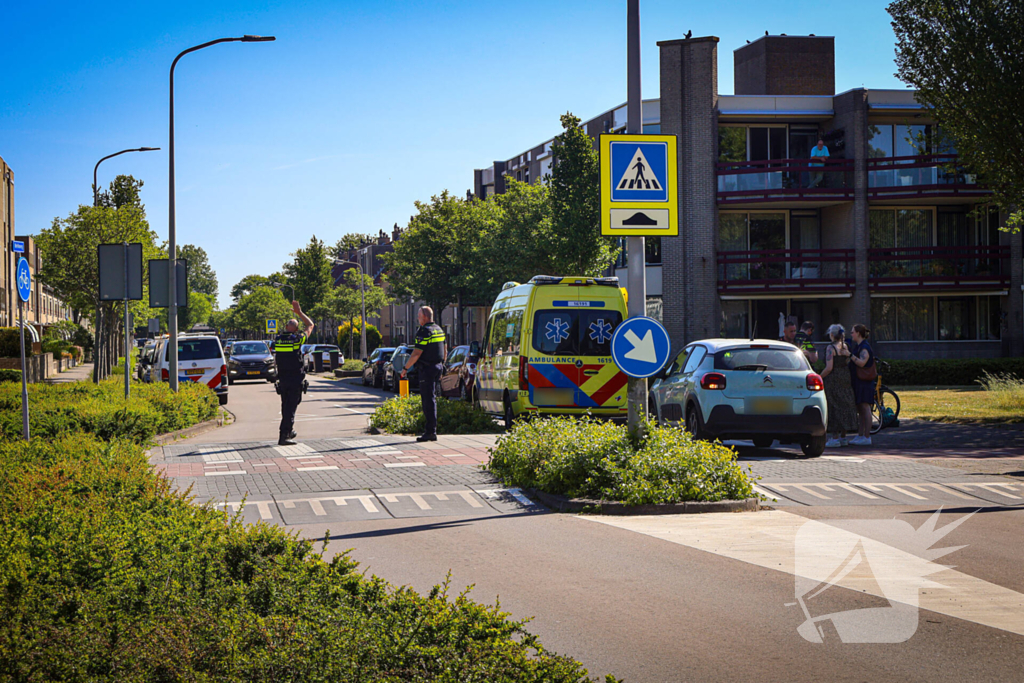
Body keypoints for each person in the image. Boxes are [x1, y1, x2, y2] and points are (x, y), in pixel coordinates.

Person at [399, 306, 446, 442]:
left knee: (428, 400)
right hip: (438, 366)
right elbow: (445, 348)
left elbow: (416, 353)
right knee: (432, 398)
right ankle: (431, 429)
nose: (418, 319)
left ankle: (430, 431)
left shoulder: (424, 331)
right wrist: (443, 365)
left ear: (425, 316)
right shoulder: (438, 329)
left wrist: (405, 368)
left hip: (427, 369)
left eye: (419, 316)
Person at [272, 301, 314, 446]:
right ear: (296, 330)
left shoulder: (277, 341)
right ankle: (284, 435)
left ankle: (288, 431)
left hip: (283, 378)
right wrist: (300, 313)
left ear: (285, 328)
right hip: (295, 378)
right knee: (291, 407)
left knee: (285, 406)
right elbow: (310, 325)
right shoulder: (297, 340)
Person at [820, 324, 858, 447]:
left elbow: (829, 367)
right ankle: (843, 437)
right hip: (845, 377)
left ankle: (834, 437)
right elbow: (847, 360)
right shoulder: (844, 346)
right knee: (845, 404)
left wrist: (819, 376)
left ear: (831, 334)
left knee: (834, 405)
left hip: (834, 378)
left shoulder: (831, 348)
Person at [848, 324, 876, 446]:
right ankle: (860, 435)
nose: (851, 334)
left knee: (865, 408)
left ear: (858, 333)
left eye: (853, 332)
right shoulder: (858, 346)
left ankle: (867, 436)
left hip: (865, 382)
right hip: (858, 382)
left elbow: (862, 363)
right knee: (860, 409)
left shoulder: (864, 348)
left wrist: (849, 355)